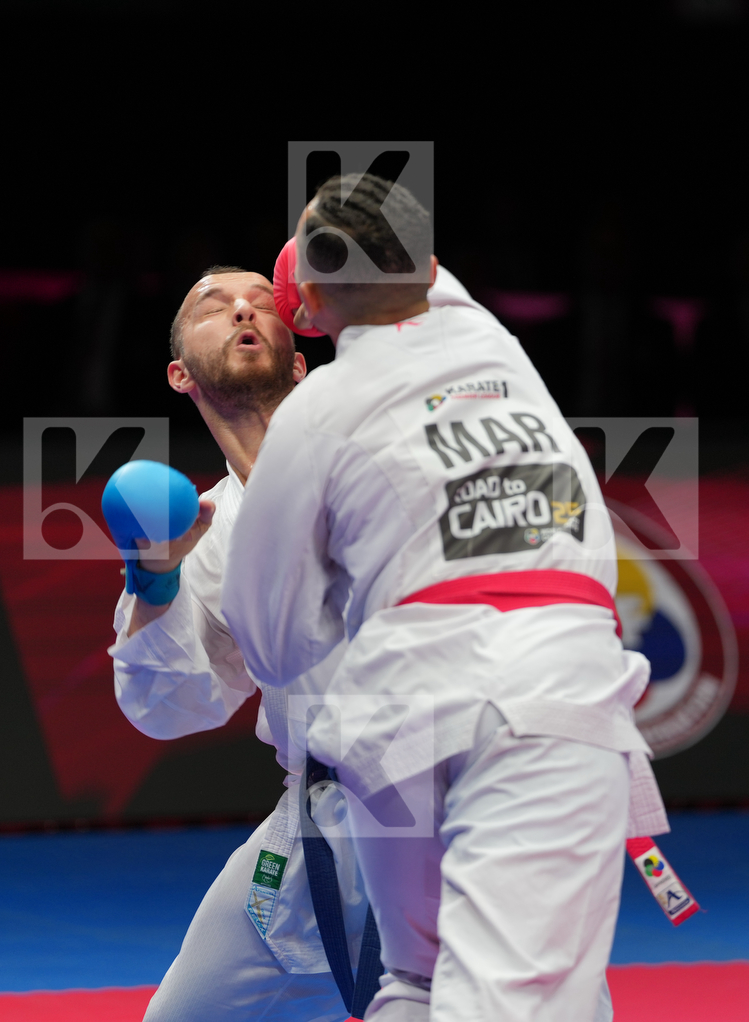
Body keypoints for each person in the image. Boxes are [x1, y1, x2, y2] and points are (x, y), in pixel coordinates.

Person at [222, 175, 669, 1021]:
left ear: (309, 306)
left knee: (417, 984)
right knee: (517, 1001)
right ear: (429, 268)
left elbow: (269, 642)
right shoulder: (493, 342)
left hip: (394, 718)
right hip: (544, 699)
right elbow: (404, 253)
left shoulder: (314, 413)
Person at [111, 261, 486, 1021]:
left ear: (299, 360)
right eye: (214, 306)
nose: (243, 310)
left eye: (263, 301)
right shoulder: (203, 533)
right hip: (319, 813)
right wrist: (153, 579)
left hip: (453, 794)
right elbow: (170, 709)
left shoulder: (387, 447)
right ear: (180, 373)